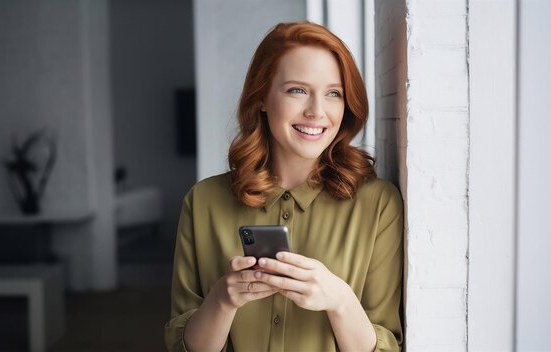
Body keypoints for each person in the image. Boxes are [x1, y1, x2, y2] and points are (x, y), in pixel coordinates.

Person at [165, 21, 403, 352]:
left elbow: (386, 344)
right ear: (261, 97)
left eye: (334, 93)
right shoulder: (203, 201)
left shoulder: (379, 205)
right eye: (297, 90)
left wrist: (338, 299)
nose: (317, 112)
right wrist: (222, 299)